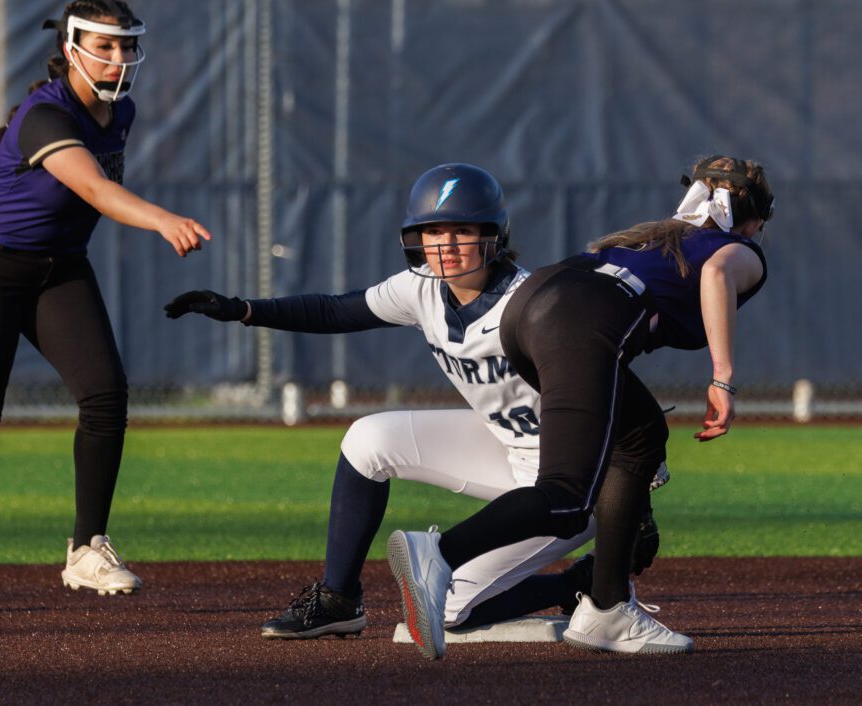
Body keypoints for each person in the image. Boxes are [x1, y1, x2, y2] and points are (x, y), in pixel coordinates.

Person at [163, 163, 663, 640]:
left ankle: (580, 584)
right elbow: (335, 310)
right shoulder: (420, 287)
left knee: (444, 608)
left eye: (461, 231)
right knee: (368, 438)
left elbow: (616, 388)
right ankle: (339, 601)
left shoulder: (534, 303)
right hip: (509, 447)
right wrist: (243, 310)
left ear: (494, 235)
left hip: (573, 486)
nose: (444, 245)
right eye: (431, 232)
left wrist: (634, 503)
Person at [0, 0, 212, 616]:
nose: (119, 59)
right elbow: (94, 188)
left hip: (58, 269)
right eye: (104, 46)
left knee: (105, 395)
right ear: (71, 51)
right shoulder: (45, 114)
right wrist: (162, 219)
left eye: (126, 46)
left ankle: (88, 548)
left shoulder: (122, 111)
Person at [388, 155, 773, 659]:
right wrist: (722, 378)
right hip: (574, 321)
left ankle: (605, 608)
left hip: (529, 309)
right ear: (756, 221)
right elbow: (719, 273)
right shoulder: (737, 247)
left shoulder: (652, 235)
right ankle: (438, 554)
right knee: (567, 497)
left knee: (641, 435)